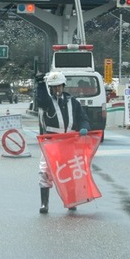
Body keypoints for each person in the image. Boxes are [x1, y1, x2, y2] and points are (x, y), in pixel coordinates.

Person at [35, 71, 90, 214]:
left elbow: (83, 118)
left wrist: (84, 127)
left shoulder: (73, 102)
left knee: (70, 172)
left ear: (63, 86)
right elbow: (40, 99)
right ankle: (44, 204)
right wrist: (40, 84)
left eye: (59, 86)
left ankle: (71, 201)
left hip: (69, 143)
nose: (57, 90)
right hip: (51, 143)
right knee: (45, 172)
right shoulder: (48, 102)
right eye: (53, 87)